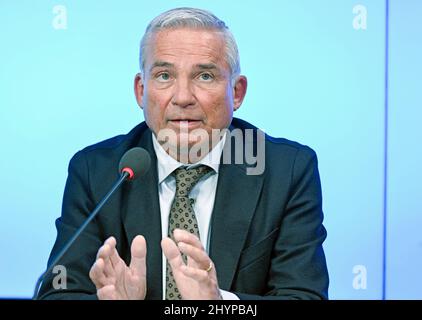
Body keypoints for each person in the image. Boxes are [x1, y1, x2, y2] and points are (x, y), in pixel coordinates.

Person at [37, 7, 329, 300]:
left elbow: (304, 295)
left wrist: (221, 305)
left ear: (236, 92)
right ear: (141, 91)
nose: (183, 97)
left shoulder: (287, 171)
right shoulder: (96, 171)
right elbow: (56, 292)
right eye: (164, 76)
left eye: (204, 76)